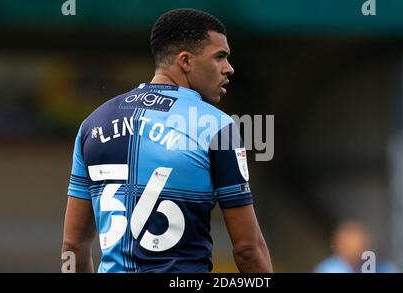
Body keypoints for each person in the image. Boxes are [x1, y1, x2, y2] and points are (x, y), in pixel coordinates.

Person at [61, 8, 273, 273]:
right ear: (185, 61)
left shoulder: (92, 124)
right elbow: (247, 250)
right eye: (220, 57)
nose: (229, 68)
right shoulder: (218, 127)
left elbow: (73, 244)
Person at [314, 221, 399, 273]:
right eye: (356, 247)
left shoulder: (385, 268)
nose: (361, 250)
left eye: (363, 244)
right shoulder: (327, 270)